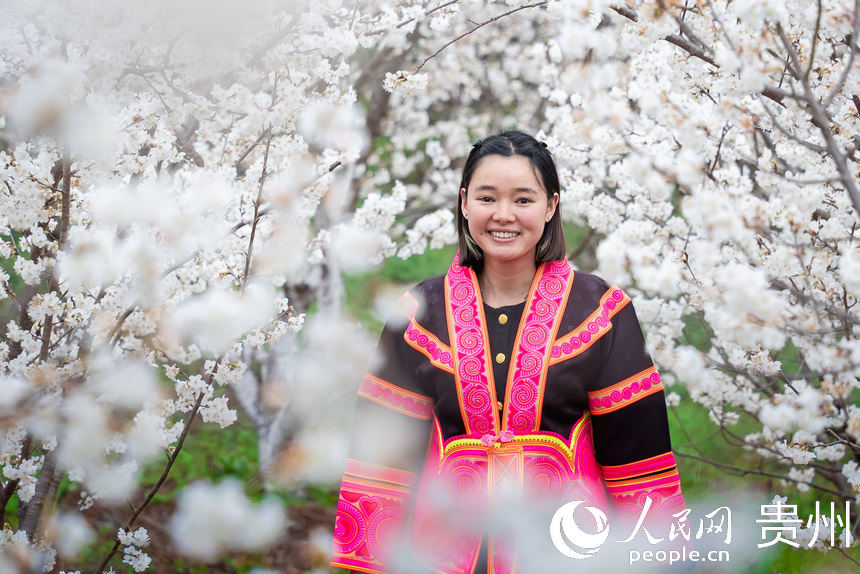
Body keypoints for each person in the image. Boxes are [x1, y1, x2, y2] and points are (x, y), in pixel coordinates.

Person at [330, 131, 686, 573]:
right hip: (442, 549)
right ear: (464, 203)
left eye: (523, 199)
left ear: (551, 206)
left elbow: (636, 456)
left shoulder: (600, 312)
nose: (503, 215)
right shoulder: (419, 313)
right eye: (486, 198)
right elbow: (382, 454)